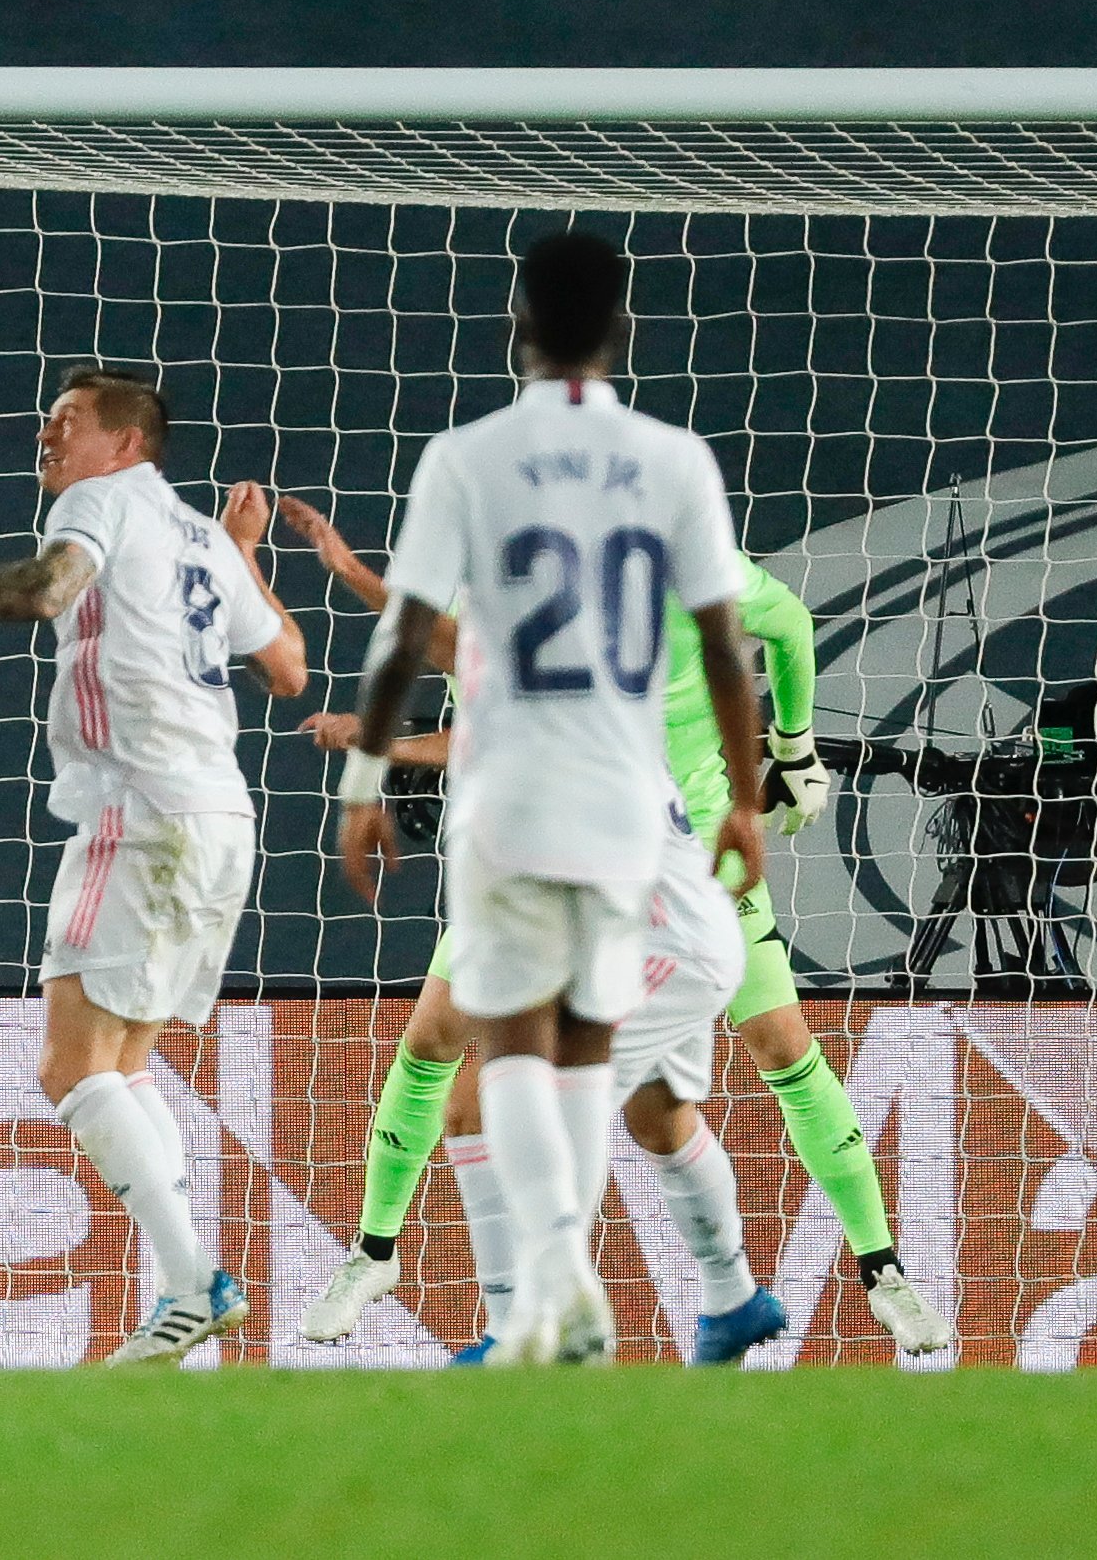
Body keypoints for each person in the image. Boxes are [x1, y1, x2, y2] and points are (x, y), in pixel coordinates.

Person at [289, 503, 954, 1357]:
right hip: (570, 870)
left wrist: (793, 747)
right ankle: (394, 1260)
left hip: (672, 890)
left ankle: (876, 1271)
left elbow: (781, 622)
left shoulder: (645, 597)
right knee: (486, 1067)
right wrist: (353, 584)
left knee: (711, 1067)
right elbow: (469, 677)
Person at [338, 228, 764, 1368]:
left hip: (510, 796)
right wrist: (745, 801)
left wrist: (362, 783)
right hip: (630, 802)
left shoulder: (466, 456)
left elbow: (397, 642)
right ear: (618, 335)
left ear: (515, 331)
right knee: (584, 1042)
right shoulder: (673, 459)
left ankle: (551, 1287)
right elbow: (727, 650)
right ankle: (560, 1291)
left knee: (510, 1046)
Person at [0, 367, 308, 1363]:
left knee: (68, 1065)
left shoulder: (96, 501)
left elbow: (46, 589)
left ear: (124, 443)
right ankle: (179, 1299)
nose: (42, 435)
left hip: (139, 809)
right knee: (125, 1065)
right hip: (219, 816)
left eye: (65, 421)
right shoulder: (198, 531)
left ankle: (194, 1280)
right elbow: (287, 666)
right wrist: (241, 554)